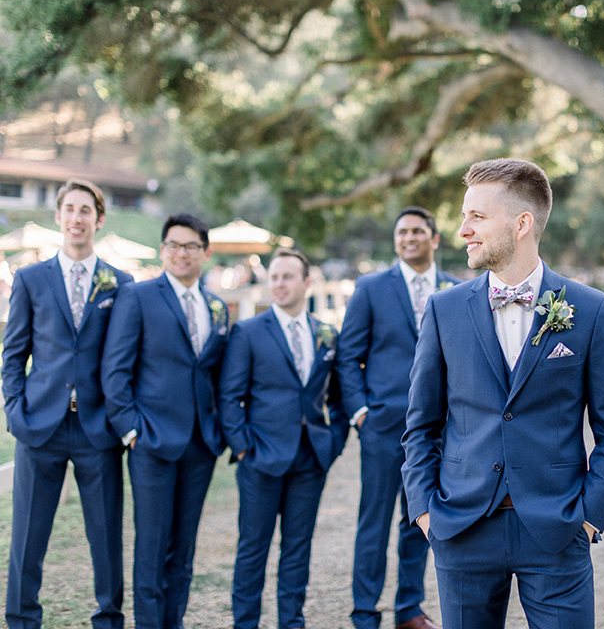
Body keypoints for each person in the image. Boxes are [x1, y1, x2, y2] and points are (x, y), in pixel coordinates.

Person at [401, 158, 604, 629]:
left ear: (522, 223)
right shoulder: (444, 311)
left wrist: (588, 517)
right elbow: (421, 425)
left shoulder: (588, 310)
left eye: (477, 217)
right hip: (462, 527)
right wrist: (426, 511)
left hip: (557, 527)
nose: (463, 230)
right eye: (465, 216)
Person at [2, 179, 132, 629]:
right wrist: (15, 412)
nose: (77, 218)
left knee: (106, 537)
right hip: (40, 426)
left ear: (99, 219)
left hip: (99, 428)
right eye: (69, 209)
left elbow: (126, 357)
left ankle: (108, 620)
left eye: (86, 210)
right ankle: (21, 621)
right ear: (58, 216)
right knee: (28, 539)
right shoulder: (30, 278)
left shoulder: (121, 283)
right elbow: (13, 354)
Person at [102, 213, 229, 629]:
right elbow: (115, 369)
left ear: (205, 253)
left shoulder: (218, 306)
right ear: (163, 251)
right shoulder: (138, 297)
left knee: (184, 552)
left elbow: (216, 373)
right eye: (173, 245)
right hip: (151, 442)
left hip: (201, 443)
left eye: (191, 246)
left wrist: (220, 430)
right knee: (152, 550)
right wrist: (131, 430)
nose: (181, 253)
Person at [337, 207, 459, 629]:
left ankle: (409, 608)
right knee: (373, 522)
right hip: (383, 427)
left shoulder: (456, 289)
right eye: (402, 232)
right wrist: (360, 412)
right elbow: (349, 355)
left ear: (434, 238)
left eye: (417, 231)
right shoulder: (371, 288)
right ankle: (364, 611)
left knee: (420, 520)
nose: (409, 238)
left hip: (438, 431)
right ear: (395, 241)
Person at [219, 247, 350, 629]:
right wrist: (243, 448)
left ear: (307, 283)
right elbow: (230, 397)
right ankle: (246, 623)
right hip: (260, 458)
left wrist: (335, 438)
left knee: (297, 550)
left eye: (287, 276)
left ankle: (291, 622)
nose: (278, 283)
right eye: (274, 276)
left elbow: (339, 396)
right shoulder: (248, 332)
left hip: (311, 459)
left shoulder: (327, 334)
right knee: (252, 550)